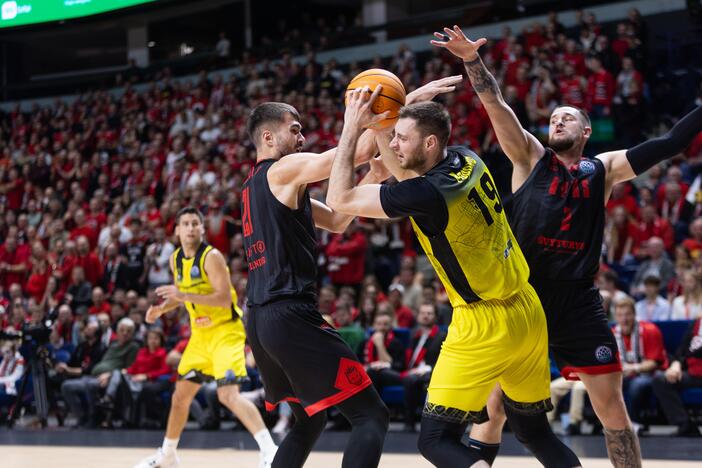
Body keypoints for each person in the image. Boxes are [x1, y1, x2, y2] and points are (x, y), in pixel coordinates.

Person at [432, 24, 702, 467]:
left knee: (611, 407)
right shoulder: (528, 157)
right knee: (494, 408)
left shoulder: (605, 169)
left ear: (587, 130)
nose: (557, 119)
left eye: (567, 117)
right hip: (524, 298)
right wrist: (471, 59)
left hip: (578, 301)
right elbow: (495, 104)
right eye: (553, 116)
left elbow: (671, 142)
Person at [327, 88, 580, 467]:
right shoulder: (466, 157)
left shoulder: (427, 195)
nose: (393, 144)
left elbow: (340, 201)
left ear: (429, 142)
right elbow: (406, 173)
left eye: (402, 137)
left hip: (484, 323)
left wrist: (352, 127)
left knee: (435, 439)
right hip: (527, 310)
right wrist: (384, 126)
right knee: (533, 432)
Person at [241, 101, 389, 468]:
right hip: (290, 313)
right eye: (295, 129)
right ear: (268, 136)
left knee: (309, 420)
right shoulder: (282, 169)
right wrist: (404, 103)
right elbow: (360, 149)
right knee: (371, 415)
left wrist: (373, 178)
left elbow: (338, 221)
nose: (302, 136)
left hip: (260, 320)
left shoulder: (257, 186)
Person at [135, 207, 277, 468]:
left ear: (202, 228)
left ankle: (270, 451)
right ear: (177, 230)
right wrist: (161, 309)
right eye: (185, 224)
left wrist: (182, 297)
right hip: (200, 336)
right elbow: (181, 293)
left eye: (195, 224)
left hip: (225, 331)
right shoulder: (175, 259)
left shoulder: (211, 257)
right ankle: (167, 455)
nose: (190, 228)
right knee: (180, 396)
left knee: (228, 395)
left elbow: (224, 299)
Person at [651, 316, 702, 436]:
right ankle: (685, 424)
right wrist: (676, 365)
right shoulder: (697, 323)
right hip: (693, 373)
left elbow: (694, 351)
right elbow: (682, 350)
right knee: (661, 379)